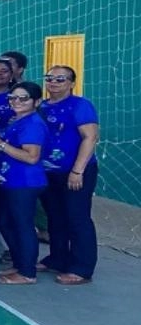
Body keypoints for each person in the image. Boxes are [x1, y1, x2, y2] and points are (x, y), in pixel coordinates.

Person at [39, 66, 99, 285]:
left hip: (76, 172)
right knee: (55, 217)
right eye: (50, 78)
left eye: (60, 79)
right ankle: (58, 259)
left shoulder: (81, 105)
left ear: (71, 83)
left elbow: (90, 138)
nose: (54, 82)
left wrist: (77, 170)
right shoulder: (42, 106)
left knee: (77, 217)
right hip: (49, 172)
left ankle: (82, 268)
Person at [0, 81, 47, 285]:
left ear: (36, 102)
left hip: (24, 182)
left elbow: (31, 157)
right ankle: (21, 263)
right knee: (1, 219)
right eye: (13, 98)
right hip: (9, 181)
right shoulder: (17, 120)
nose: (16, 102)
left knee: (23, 225)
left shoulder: (33, 124)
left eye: (23, 98)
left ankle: (28, 272)